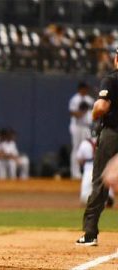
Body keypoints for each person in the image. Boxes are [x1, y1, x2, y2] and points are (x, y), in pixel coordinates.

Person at [76, 48, 118, 246]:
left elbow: (101, 107)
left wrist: (94, 115)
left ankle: (90, 233)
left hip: (113, 133)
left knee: (100, 182)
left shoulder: (112, 79)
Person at [69, 82, 94, 179]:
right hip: (77, 126)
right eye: (84, 89)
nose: (86, 90)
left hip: (87, 127)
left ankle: (88, 171)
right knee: (76, 148)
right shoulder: (75, 99)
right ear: (80, 89)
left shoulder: (89, 99)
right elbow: (73, 114)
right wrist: (82, 110)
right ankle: (75, 172)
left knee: (89, 147)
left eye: (86, 89)